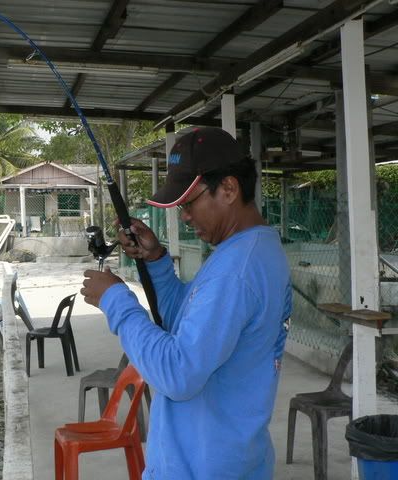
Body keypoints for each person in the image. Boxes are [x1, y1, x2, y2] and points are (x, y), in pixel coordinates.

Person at [81, 126, 292, 479]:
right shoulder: (248, 251)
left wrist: (116, 301)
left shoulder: (236, 269)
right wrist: (156, 260)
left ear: (228, 189)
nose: (184, 215)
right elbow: (186, 322)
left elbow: (178, 373)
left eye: (189, 203)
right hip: (230, 462)